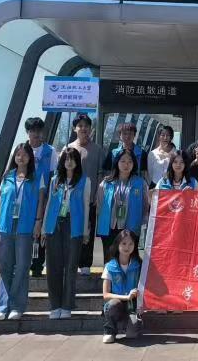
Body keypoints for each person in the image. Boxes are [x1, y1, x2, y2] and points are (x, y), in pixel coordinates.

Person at [0, 143, 46, 320]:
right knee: (5, 266)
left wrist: (38, 222)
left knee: (23, 266)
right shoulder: (8, 177)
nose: (21, 157)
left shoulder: (37, 177)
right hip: (5, 226)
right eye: (18, 155)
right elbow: (1, 203)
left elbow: (41, 201)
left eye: (24, 154)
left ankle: (17, 306)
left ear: (30, 157)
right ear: (14, 157)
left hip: (26, 226)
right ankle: (3, 306)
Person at [42, 147, 91, 319]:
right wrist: (44, 228)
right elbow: (49, 203)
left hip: (74, 224)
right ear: (62, 162)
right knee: (53, 266)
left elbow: (86, 206)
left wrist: (85, 231)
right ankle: (55, 305)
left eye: (72, 159)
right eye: (66, 159)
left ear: (77, 162)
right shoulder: (55, 180)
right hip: (54, 224)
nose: (69, 162)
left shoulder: (84, 181)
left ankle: (67, 305)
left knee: (70, 266)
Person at [97, 149, 149, 263]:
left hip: (131, 228)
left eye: (130, 161)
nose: (126, 164)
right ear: (117, 162)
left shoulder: (140, 183)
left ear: (134, 164)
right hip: (110, 227)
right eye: (123, 161)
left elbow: (145, 206)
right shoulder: (106, 183)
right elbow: (100, 205)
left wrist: (143, 224)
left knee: (129, 260)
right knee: (110, 260)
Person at [68, 113, 103, 277]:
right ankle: (71, 261)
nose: (83, 129)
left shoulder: (97, 149)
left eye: (86, 126)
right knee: (71, 230)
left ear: (91, 129)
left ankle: (85, 263)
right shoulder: (68, 148)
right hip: (71, 200)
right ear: (74, 128)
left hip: (90, 199)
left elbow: (101, 174)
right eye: (80, 126)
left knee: (87, 231)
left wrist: (97, 195)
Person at [25, 117, 57, 278]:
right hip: (24, 197)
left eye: (39, 130)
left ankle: (36, 266)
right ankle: (22, 263)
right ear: (28, 132)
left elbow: (53, 175)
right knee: (23, 231)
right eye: (32, 131)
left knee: (39, 232)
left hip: (43, 198)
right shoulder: (21, 149)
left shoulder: (50, 151)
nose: (36, 134)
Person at [101, 229, 142, 344]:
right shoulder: (110, 266)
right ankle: (109, 331)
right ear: (117, 244)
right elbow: (105, 295)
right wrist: (126, 297)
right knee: (113, 304)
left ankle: (128, 323)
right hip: (116, 303)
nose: (127, 247)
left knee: (131, 335)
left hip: (132, 305)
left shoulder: (138, 265)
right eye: (123, 243)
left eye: (130, 244)